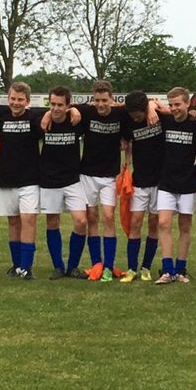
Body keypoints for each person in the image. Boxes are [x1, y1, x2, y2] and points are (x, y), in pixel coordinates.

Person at [76, 81, 131, 282]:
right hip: (87, 174)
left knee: (108, 217)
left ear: (112, 99)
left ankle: (108, 266)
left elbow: (129, 138)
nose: (100, 104)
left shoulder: (121, 114)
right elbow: (68, 107)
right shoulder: (86, 112)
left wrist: (128, 158)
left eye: (104, 100)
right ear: (93, 99)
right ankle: (96, 264)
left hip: (110, 175)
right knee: (92, 217)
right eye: (97, 100)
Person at [0, 81, 43, 280]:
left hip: (30, 179)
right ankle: (16, 264)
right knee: (13, 222)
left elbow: (56, 110)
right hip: (7, 179)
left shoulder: (34, 117)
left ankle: (27, 267)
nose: (16, 103)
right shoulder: (1, 115)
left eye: (20, 100)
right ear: (8, 98)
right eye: (13, 99)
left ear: (28, 101)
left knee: (28, 220)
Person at [38, 85, 89, 280]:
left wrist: (74, 110)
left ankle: (73, 267)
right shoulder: (42, 120)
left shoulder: (76, 120)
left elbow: (93, 107)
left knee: (81, 221)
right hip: (49, 180)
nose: (55, 108)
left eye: (60, 105)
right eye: (52, 104)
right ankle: (58, 266)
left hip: (73, 180)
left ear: (67, 105)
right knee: (53, 222)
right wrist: (46, 114)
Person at [155, 87, 196, 284]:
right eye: (171, 105)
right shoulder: (166, 121)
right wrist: (153, 107)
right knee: (163, 223)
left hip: (189, 182)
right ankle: (167, 270)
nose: (174, 108)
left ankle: (181, 269)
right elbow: (149, 103)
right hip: (166, 181)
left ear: (187, 103)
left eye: (178, 104)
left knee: (185, 226)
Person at [120, 90, 164, 283]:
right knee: (135, 223)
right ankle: (131, 268)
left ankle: (146, 268)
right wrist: (128, 155)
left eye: (138, 115)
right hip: (139, 180)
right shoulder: (128, 120)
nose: (135, 118)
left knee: (154, 224)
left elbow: (173, 111)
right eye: (132, 115)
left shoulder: (159, 116)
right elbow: (127, 140)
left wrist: (153, 106)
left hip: (160, 181)